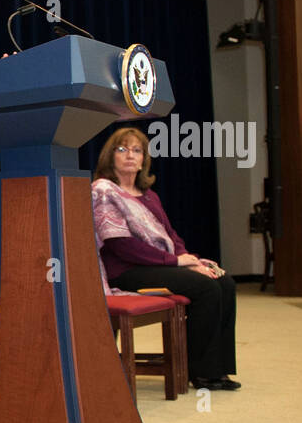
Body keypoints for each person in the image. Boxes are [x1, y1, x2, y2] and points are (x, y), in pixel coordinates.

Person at [91, 126, 240, 391]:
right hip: (127, 271)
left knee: (223, 281)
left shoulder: (149, 195)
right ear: (110, 156)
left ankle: (217, 368)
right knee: (205, 288)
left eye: (137, 150)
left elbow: (170, 234)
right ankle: (200, 372)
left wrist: (188, 258)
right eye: (122, 149)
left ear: (143, 159)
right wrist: (176, 263)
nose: (130, 155)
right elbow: (121, 245)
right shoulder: (103, 191)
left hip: (158, 265)